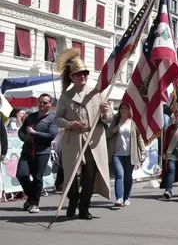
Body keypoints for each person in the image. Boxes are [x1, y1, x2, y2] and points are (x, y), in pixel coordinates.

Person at [54, 48, 113, 220]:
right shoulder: (65, 97)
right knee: (71, 174)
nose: (83, 77)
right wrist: (70, 124)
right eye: (79, 74)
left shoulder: (96, 93)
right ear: (72, 77)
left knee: (90, 175)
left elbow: (108, 119)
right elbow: (57, 119)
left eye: (85, 73)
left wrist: (105, 111)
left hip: (93, 140)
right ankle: (73, 200)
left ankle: (84, 207)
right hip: (73, 140)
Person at [16, 93, 58, 213]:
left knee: (37, 177)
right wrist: (25, 137)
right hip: (27, 150)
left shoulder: (53, 118)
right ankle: (31, 197)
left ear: (50, 104)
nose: (42, 104)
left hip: (42, 152)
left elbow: (51, 135)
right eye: (40, 102)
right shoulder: (31, 116)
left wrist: (35, 133)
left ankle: (34, 203)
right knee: (21, 174)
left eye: (45, 102)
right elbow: (21, 132)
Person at [106, 102, 147, 208]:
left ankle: (127, 197)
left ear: (129, 110)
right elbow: (107, 134)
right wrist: (115, 129)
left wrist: (143, 151)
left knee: (128, 177)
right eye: (121, 108)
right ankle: (119, 198)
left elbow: (139, 139)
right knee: (120, 174)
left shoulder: (132, 123)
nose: (123, 110)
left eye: (125, 108)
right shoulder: (115, 121)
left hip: (130, 154)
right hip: (116, 153)